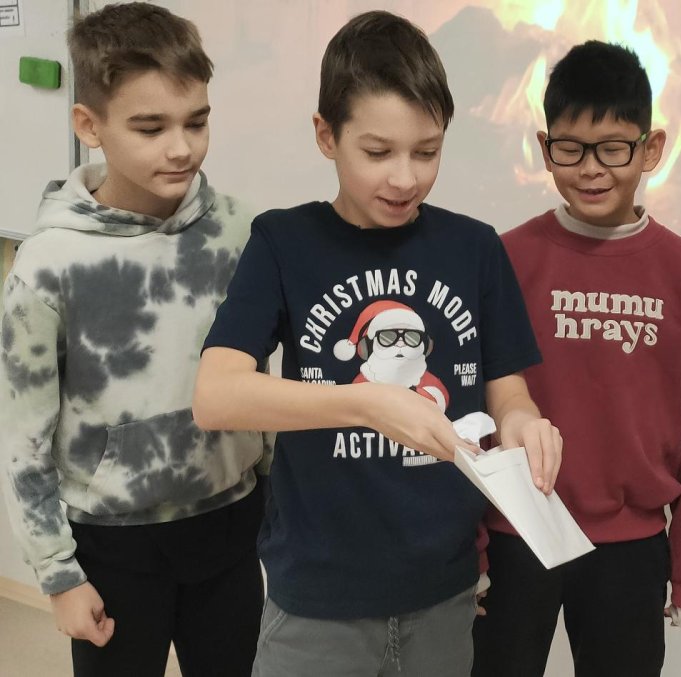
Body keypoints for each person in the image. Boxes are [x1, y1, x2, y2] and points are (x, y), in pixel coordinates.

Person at [191, 11, 561, 677]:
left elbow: (508, 391)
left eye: (427, 151)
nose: (405, 179)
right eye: (378, 152)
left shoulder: (474, 248)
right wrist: (367, 405)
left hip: (444, 590)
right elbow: (216, 395)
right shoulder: (284, 242)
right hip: (318, 598)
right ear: (325, 136)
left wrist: (523, 422)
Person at [0, 3, 268, 675]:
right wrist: (58, 575)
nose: (181, 148)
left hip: (232, 524)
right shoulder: (48, 265)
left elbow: (261, 379)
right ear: (88, 125)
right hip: (111, 544)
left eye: (196, 121)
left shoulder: (242, 232)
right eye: (151, 127)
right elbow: (23, 439)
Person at [472, 40, 681, 677]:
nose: (590, 170)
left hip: (631, 546)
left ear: (651, 148)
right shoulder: (506, 258)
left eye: (613, 148)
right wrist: (470, 546)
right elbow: (472, 410)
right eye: (571, 148)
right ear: (544, 147)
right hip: (515, 533)